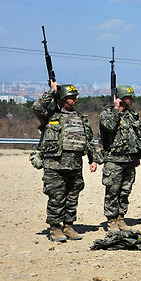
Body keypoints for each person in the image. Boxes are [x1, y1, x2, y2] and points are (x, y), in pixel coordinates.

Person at [33, 82, 100, 242]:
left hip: (75, 165)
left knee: (72, 197)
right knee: (56, 197)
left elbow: (89, 141)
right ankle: (55, 228)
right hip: (55, 166)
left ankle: (69, 226)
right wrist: (51, 91)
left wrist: (92, 159)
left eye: (75, 97)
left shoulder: (81, 118)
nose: (75, 100)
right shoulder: (51, 116)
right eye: (71, 97)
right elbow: (37, 107)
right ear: (62, 99)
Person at [99, 84, 141, 231]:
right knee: (113, 191)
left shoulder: (132, 115)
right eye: (128, 97)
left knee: (125, 191)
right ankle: (111, 220)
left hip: (129, 160)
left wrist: (138, 155)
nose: (131, 100)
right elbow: (110, 126)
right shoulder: (107, 114)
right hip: (114, 160)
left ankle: (120, 218)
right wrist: (116, 109)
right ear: (121, 99)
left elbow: (138, 135)